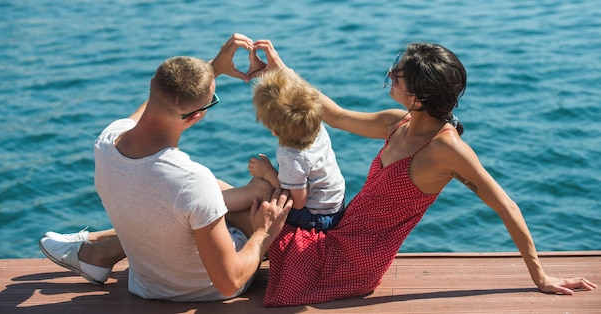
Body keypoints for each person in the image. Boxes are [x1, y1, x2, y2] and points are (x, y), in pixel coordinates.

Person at [249, 39, 597, 307]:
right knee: (241, 198)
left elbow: (506, 206)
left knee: (232, 208)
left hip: (350, 262)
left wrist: (540, 276)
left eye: (396, 75)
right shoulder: (398, 122)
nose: (390, 76)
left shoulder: (446, 149)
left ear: (418, 96)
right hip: (338, 235)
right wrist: (280, 70)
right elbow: (336, 115)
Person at [39, 34, 293, 302]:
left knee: (202, 198)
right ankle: (97, 252)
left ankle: (97, 252)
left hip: (148, 283)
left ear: (152, 86)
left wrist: (213, 67)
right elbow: (229, 283)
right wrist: (264, 232)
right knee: (257, 198)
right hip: (204, 289)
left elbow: (155, 104)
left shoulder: (107, 141)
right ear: (196, 116)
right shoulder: (191, 181)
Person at [246, 68, 345, 232]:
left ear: (274, 131)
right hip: (334, 203)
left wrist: (268, 172)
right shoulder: (314, 126)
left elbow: (298, 202)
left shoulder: (291, 156)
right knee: (261, 185)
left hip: (317, 218)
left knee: (262, 191)